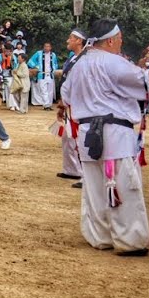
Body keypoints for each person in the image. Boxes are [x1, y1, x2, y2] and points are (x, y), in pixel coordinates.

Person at [59, 19, 149, 256]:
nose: (121, 43)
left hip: (86, 132)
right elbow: (144, 79)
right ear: (112, 40)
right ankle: (128, 238)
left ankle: (99, 235)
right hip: (113, 131)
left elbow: (67, 96)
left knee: (94, 186)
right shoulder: (114, 62)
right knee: (122, 184)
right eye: (120, 39)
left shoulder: (79, 65)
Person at [55, 29, 86, 186]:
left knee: (78, 137)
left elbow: (78, 83)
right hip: (69, 102)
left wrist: (67, 101)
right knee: (68, 137)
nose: (68, 40)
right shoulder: (73, 58)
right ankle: (72, 170)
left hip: (77, 103)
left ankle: (85, 174)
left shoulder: (84, 59)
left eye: (71, 38)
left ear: (79, 41)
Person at [28, 42, 60, 110]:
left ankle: (49, 105)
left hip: (50, 75)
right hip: (42, 74)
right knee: (43, 90)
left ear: (50, 48)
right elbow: (30, 61)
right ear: (43, 47)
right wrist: (36, 67)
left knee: (50, 91)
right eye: (45, 46)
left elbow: (55, 63)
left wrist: (54, 69)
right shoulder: (38, 53)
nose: (46, 48)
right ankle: (46, 105)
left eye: (48, 46)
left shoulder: (53, 55)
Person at [9, 47, 31, 114]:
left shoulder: (24, 66)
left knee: (24, 98)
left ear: (23, 59)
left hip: (24, 83)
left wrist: (16, 73)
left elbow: (24, 74)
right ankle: (23, 109)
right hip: (21, 83)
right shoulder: (20, 65)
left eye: (19, 58)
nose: (18, 59)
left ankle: (23, 110)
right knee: (21, 97)